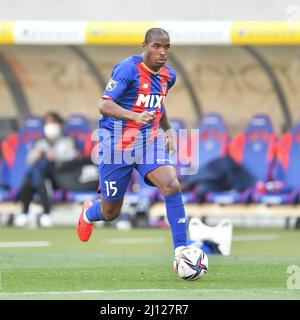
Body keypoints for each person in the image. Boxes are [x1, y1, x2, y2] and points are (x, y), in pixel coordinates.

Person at [76, 28, 190, 265]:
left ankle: (182, 252)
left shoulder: (169, 75)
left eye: (166, 47)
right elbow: (104, 105)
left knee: (171, 185)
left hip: (148, 142)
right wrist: (134, 117)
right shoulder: (128, 68)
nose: (162, 52)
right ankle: (89, 212)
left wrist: (167, 129)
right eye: (157, 46)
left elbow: (159, 102)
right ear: (145, 46)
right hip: (116, 145)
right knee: (110, 212)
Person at [15, 111, 78, 228]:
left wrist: (54, 156)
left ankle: (24, 212)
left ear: (60, 125)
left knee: (32, 174)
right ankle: (45, 214)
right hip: (42, 177)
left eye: (53, 123)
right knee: (35, 173)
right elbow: (29, 160)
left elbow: (72, 160)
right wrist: (36, 154)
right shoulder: (41, 142)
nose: (50, 127)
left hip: (59, 175)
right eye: (48, 123)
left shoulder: (67, 141)